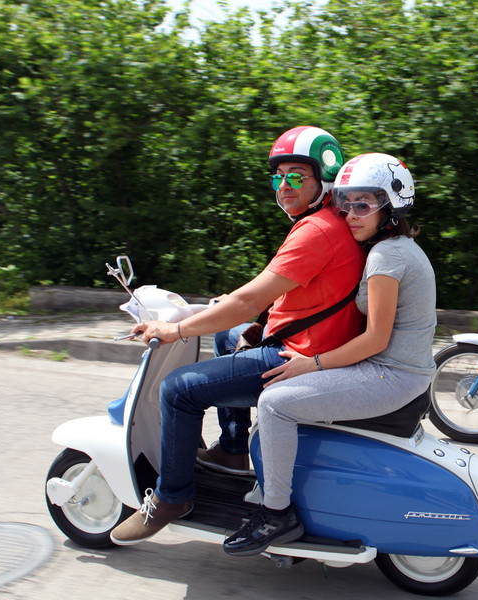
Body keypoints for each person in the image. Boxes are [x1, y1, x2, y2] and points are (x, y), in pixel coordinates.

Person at [110, 126, 366, 545]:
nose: (284, 186)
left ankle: (172, 498)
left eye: (296, 176)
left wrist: (175, 329)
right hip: (312, 339)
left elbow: (249, 301)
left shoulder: (316, 231)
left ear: (324, 179)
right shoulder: (328, 221)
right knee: (228, 337)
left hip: (295, 358)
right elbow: (276, 290)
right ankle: (232, 448)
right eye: (278, 177)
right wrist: (220, 308)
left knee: (177, 390)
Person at [221, 152, 436, 556]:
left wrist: (312, 364)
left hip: (391, 376)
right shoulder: (395, 247)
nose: (351, 214)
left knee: (274, 404)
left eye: (363, 205)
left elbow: (375, 340)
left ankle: (275, 514)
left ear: (391, 206)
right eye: (345, 203)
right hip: (393, 370)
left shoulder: (386, 256)